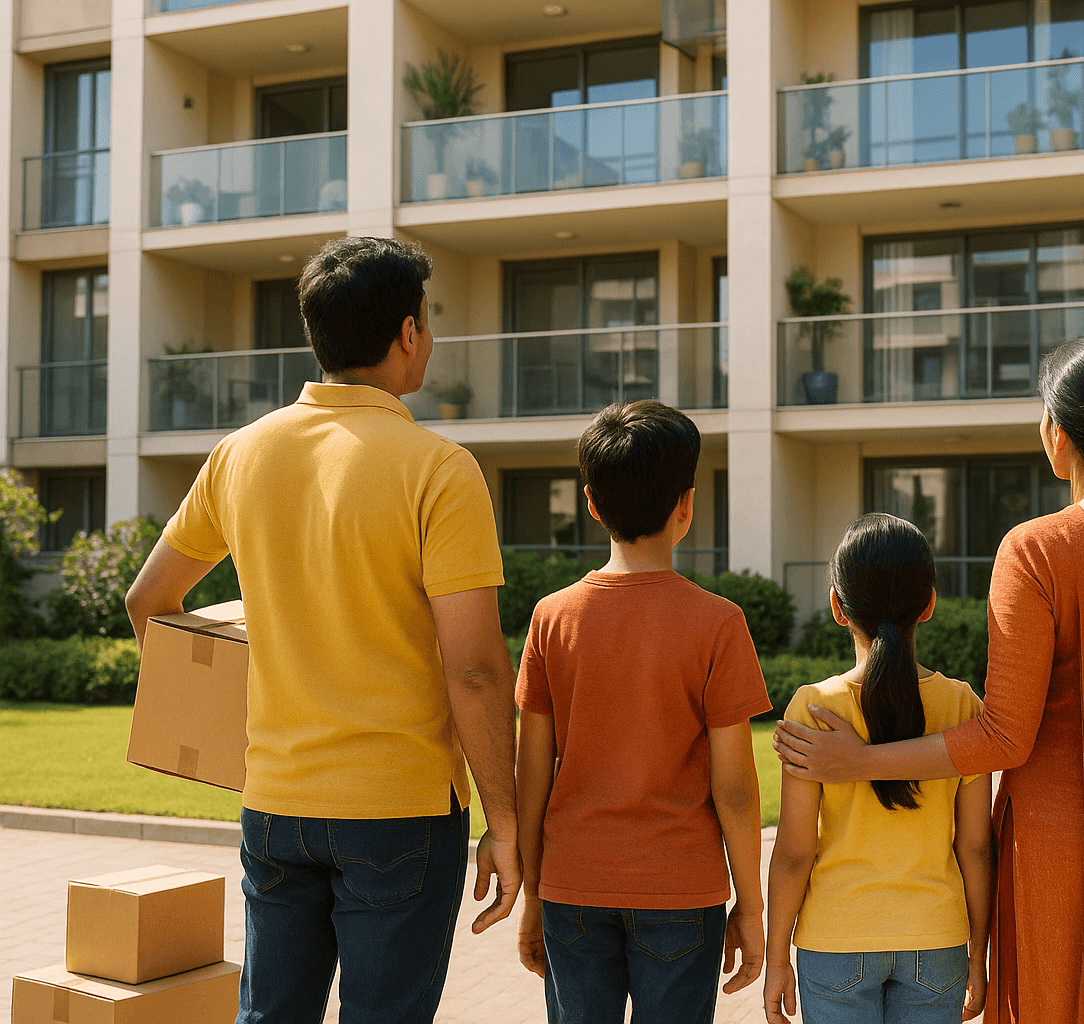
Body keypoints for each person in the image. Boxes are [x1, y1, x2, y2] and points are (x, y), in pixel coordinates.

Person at [773, 338, 1084, 1024]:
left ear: (1056, 436)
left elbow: (1004, 736)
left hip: (1062, 854)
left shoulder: (1035, 550)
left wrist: (859, 762)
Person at [124, 237, 522, 1024]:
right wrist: (504, 824)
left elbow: (148, 600)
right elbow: (474, 669)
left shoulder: (241, 453)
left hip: (275, 801)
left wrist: (216, 712)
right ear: (408, 333)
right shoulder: (439, 468)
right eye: (429, 324)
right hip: (399, 811)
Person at [514, 400, 771, 1024]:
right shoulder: (720, 624)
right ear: (687, 505)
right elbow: (735, 789)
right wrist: (752, 907)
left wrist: (532, 896)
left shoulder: (552, 618)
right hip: (683, 891)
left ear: (591, 503)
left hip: (573, 886)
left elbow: (532, 775)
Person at [764, 513, 993, 1024]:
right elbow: (976, 847)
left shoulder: (813, 708)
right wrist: (979, 951)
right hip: (937, 943)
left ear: (837, 607)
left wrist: (777, 957)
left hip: (834, 942)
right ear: (929, 604)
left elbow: (794, 853)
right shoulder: (961, 705)